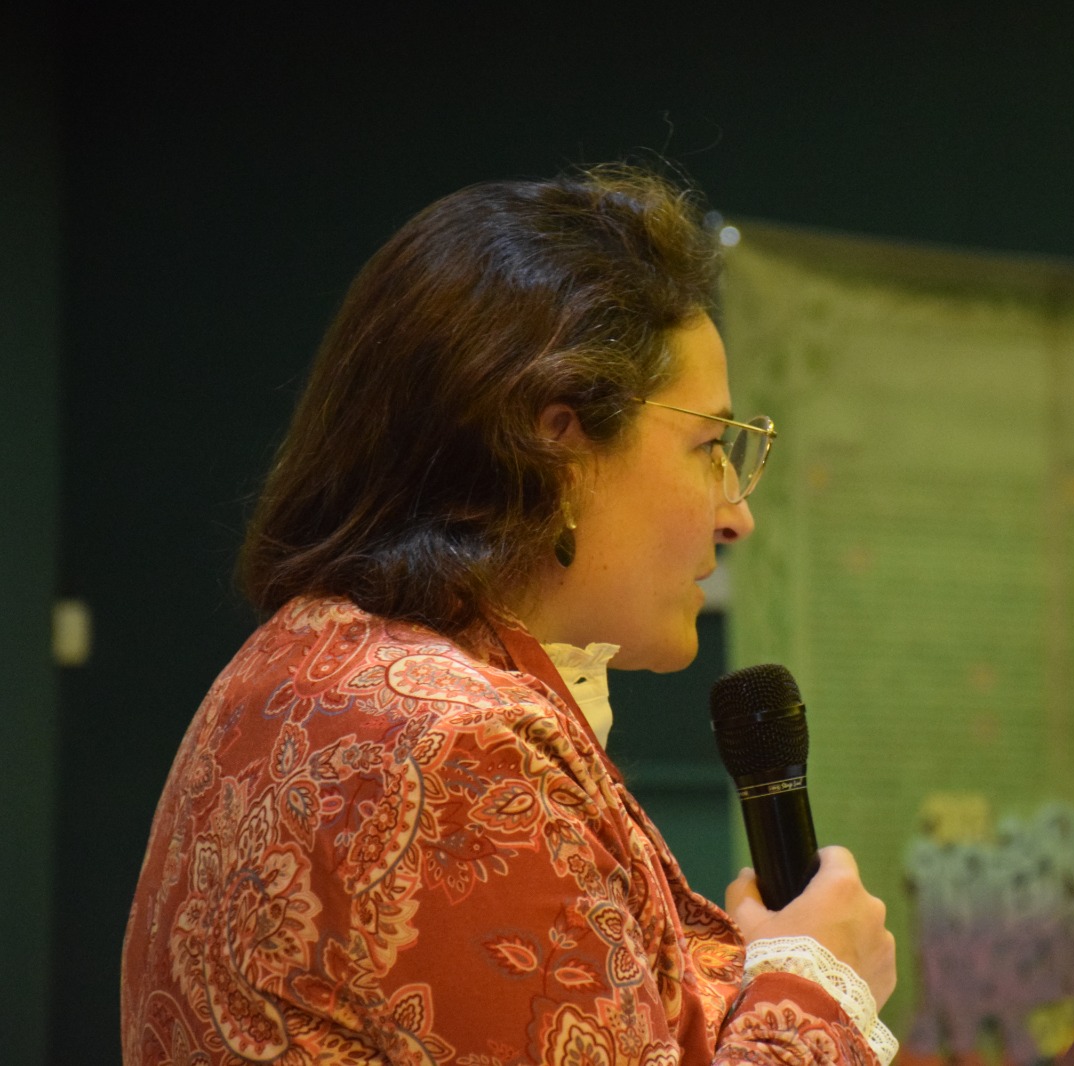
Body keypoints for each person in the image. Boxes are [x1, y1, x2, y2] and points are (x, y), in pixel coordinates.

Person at [121, 165, 897, 1066]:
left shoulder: (298, 667)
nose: (736, 514)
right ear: (557, 446)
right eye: (707, 446)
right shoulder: (451, 742)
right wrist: (819, 984)